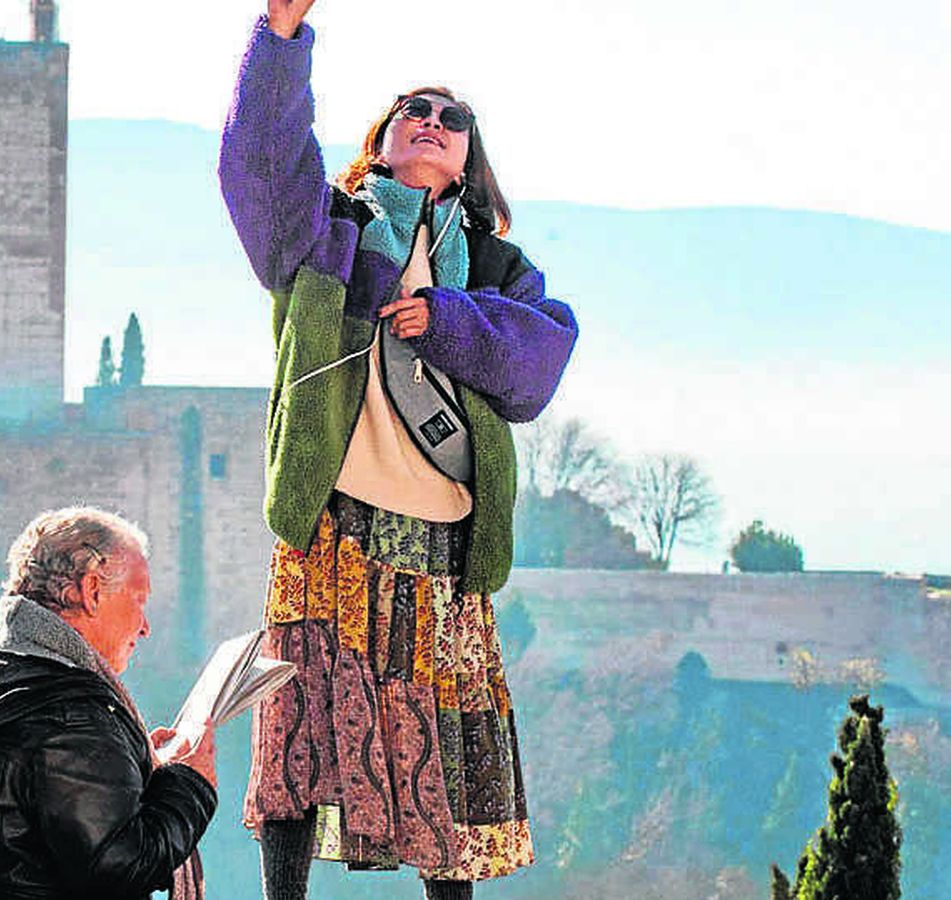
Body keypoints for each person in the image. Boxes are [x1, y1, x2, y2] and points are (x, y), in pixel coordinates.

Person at [219, 1, 579, 898]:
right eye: (413, 110)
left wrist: (447, 321)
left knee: (446, 752)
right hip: (331, 519)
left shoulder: (497, 269)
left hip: (446, 540)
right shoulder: (325, 232)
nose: (432, 121)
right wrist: (281, 40)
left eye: (453, 118)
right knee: (300, 725)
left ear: (470, 160)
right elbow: (258, 165)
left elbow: (540, 361)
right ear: (380, 142)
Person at [0, 507, 218, 900]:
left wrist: (131, 768)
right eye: (139, 600)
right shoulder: (71, 717)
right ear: (92, 590)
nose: (145, 626)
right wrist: (191, 784)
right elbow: (122, 869)